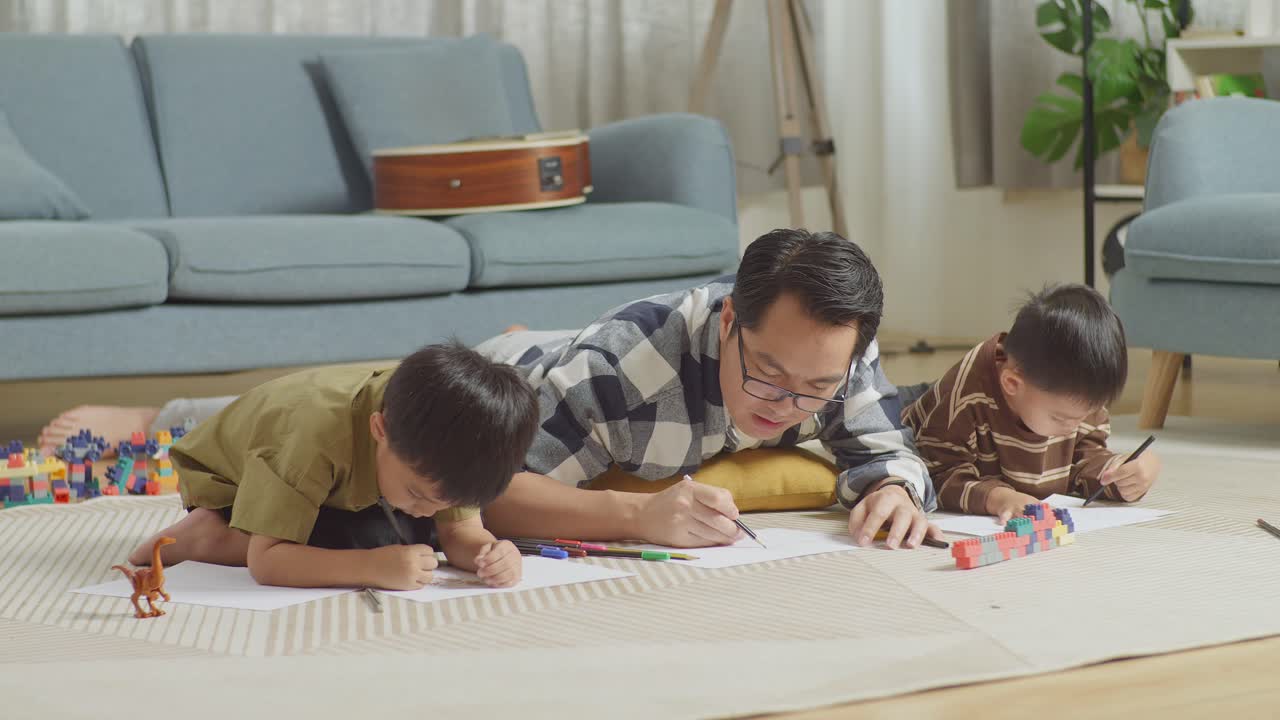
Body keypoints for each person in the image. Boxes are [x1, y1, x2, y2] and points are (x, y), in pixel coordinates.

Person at [44, 229, 942, 550]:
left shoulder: (830, 342)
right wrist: (636, 517)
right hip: (507, 379)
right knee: (349, 410)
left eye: (812, 389)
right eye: (769, 380)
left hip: (547, 355)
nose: (788, 405)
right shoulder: (624, 374)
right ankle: (157, 415)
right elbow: (484, 494)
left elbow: (880, 439)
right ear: (726, 325)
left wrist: (898, 487)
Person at [123, 343, 540, 590]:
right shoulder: (312, 436)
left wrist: (490, 553)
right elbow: (267, 563)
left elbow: (458, 532)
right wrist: (372, 569)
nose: (431, 509)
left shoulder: (448, 437)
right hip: (234, 481)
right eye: (418, 493)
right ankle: (210, 535)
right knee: (373, 539)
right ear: (380, 429)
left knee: (418, 532)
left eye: (445, 500)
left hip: (347, 484)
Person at [900, 284, 1160, 524]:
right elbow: (937, 474)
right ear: (1012, 384)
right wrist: (998, 498)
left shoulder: (1073, 397)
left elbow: (1083, 458)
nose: (1073, 429)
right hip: (912, 412)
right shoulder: (964, 399)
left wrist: (1120, 475)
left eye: (1086, 415)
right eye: (1060, 419)